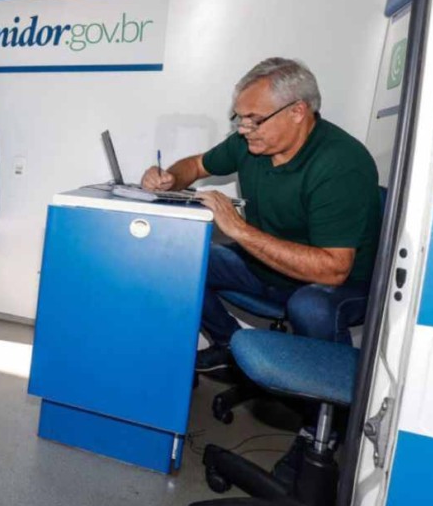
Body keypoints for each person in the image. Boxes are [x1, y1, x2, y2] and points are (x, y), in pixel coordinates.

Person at [141, 57, 381, 373]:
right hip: (265, 267)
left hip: (338, 284)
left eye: (254, 120)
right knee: (179, 259)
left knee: (311, 306)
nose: (243, 129)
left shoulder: (340, 164)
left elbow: (333, 269)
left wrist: (239, 230)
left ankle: (332, 399)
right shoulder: (250, 143)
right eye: (239, 119)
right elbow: (197, 165)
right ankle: (229, 346)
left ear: (297, 111)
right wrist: (171, 178)